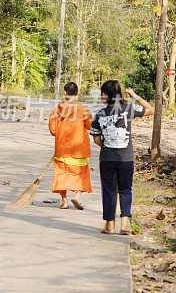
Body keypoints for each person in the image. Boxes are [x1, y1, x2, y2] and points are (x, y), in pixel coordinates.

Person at [89, 80, 153, 234]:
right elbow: (150, 109)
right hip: (126, 158)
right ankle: (124, 225)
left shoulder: (99, 114)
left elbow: (96, 139)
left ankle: (110, 226)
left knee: (109, 191)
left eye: (102, 93)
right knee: (125, 190)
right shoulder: (128, 109)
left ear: (105, 95)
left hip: (107, 158)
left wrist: (108, 146)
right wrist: (134, 95)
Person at [48, 82, 93, 210]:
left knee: (61, 173)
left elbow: (53, 130)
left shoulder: (58, 109)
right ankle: (77, 197)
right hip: (79, 149)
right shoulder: (83, 109)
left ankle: (64, 202)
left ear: (65, 93)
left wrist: (61, 135)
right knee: (81, 173)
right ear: (77, 93)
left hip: (62, 148)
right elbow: (89, 126)